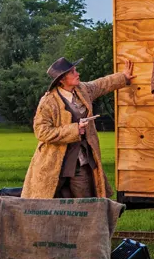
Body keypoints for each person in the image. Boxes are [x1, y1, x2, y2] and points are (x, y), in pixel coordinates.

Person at [22, 57, 134, 199]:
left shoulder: (82, 90)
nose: (77, 74)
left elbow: (101, 84)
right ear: (62, 80)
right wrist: (74, 130)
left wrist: (123, 77)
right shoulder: (48, 102)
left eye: (75, 70)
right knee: (46, 201)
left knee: (85, 202)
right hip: (53, 163)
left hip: (80, 160)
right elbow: (41, 132)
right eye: (72, 72)